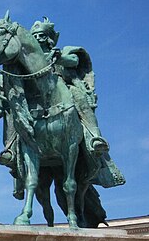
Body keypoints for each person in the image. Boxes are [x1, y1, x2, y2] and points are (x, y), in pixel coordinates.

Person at [30, 17, 109, 155]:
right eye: (34, 36)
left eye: (41, 35)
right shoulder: (27, 60)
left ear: (49, 38)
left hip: (62, 86)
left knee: (79, 99)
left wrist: (59, 58)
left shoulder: (61, 52)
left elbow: (74, 60)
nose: (37, 38)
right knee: (14, 110)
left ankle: (95, 136)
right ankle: (11, 147)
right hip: (36, 92)